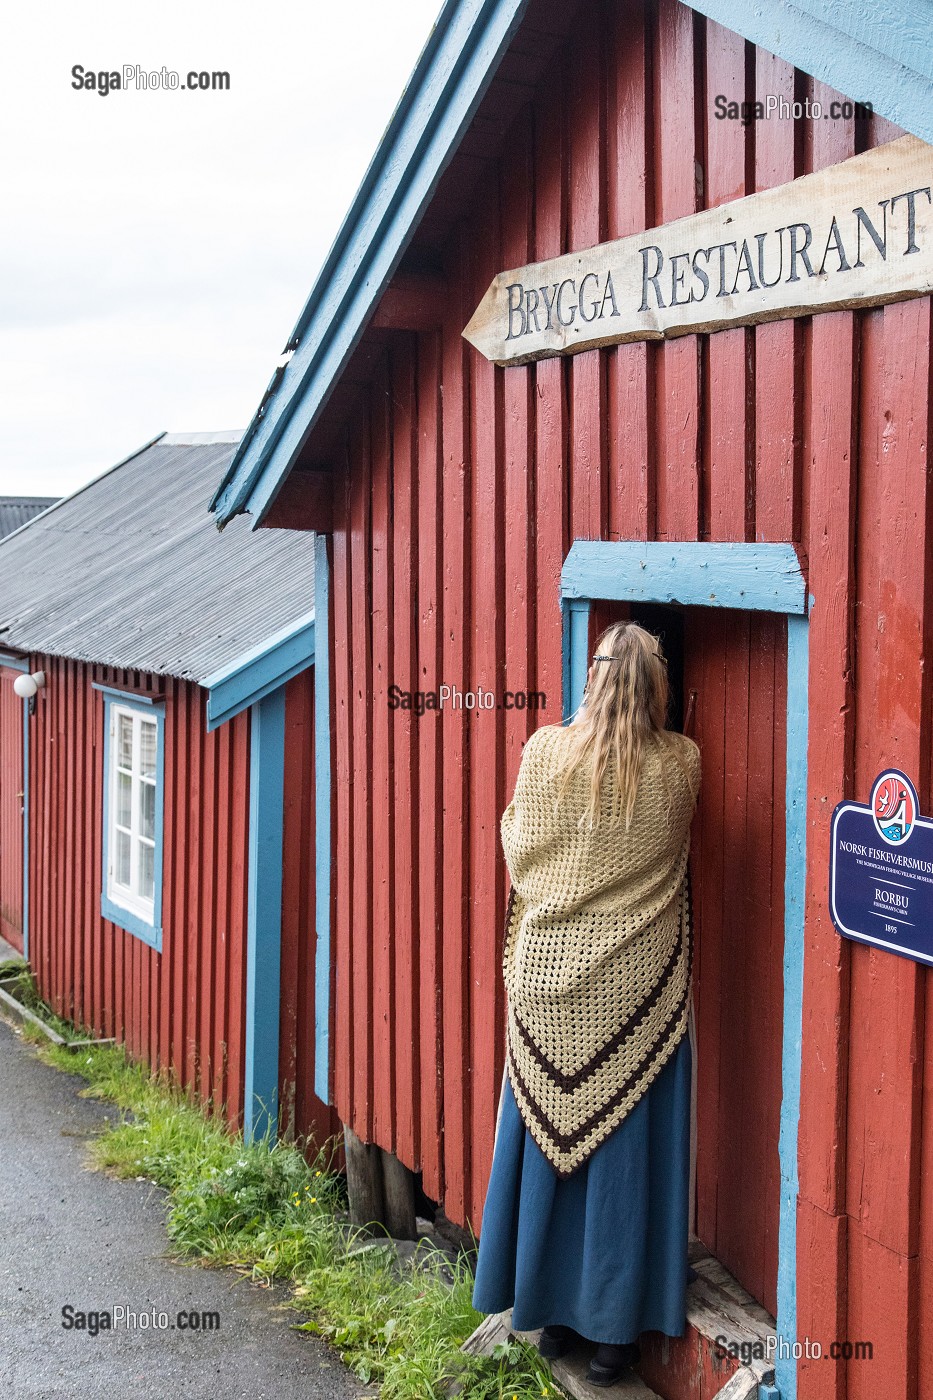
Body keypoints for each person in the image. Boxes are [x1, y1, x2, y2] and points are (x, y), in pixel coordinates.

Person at [471, 621, 701, 1388]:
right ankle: (613, 1343)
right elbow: (669, 852)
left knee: (545, 1146)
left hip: (543, 978)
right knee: (622, 1158)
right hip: (634, 987)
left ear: (592, 677)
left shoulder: (542, 752)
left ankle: (547, 1317)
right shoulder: (680, 765)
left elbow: (516, 845)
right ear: (659, 685)